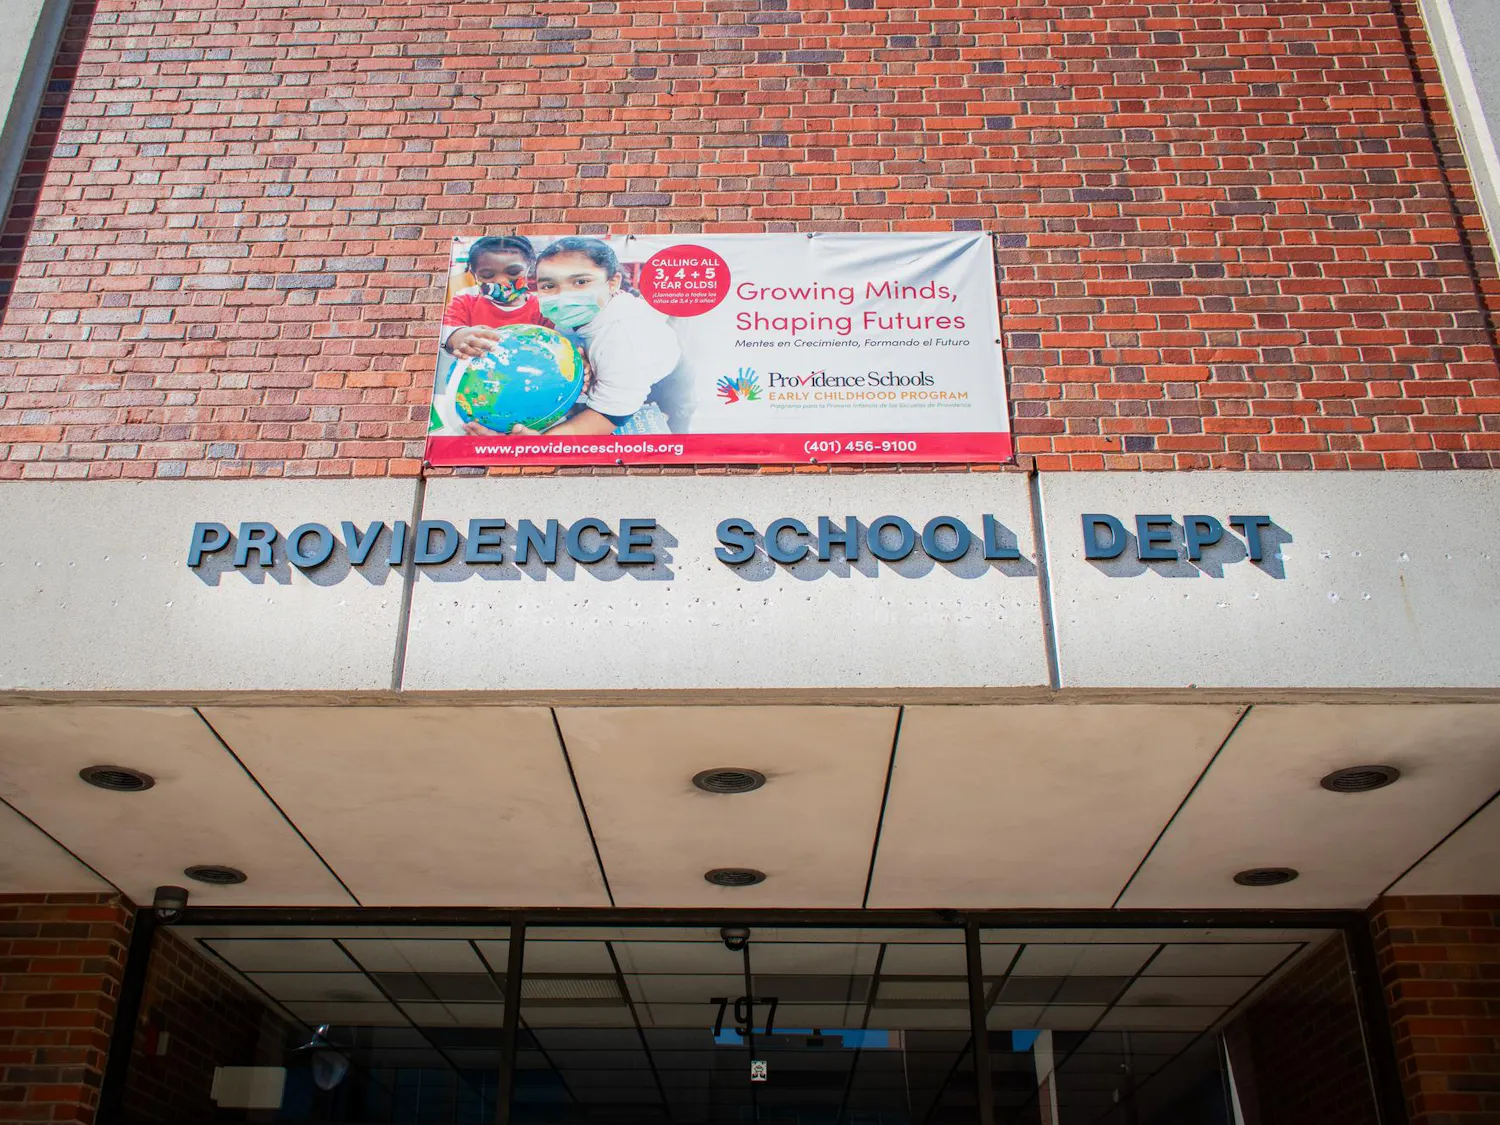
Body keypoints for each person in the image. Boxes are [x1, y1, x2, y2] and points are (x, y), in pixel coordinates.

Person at [516, 236, 682, 436]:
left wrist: (542, 442)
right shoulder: (578, 313)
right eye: (549, 286)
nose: (563, 296)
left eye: (580, 282)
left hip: (662, 386)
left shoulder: (622, 339)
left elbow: (609, 416)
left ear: (613, 283)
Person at [440, 235, 551, 361]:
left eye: (513, 272)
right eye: (487, 275)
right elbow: (445, 331)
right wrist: (455, 336)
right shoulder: (463, 303)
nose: (502, 281)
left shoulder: (543, 307)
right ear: (473, 274)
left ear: (529, 269)